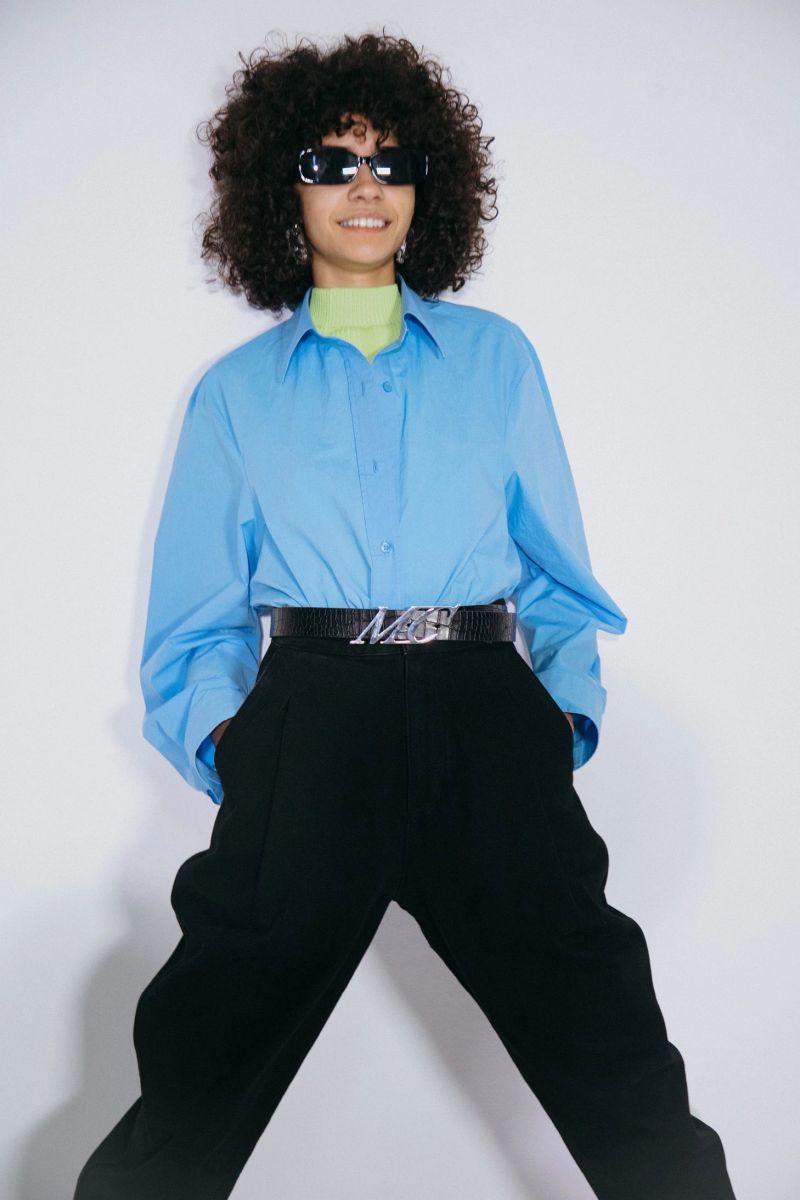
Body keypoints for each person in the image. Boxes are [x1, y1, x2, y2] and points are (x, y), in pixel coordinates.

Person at [73, 30, 737, 1200]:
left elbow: (556, 576)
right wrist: (242, 751)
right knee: (202, 1058)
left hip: (486, 711)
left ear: (431, 185)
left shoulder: (495, 361)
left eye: (390, 160)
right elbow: (194, 620)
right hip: (310, 716)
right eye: (330, 162)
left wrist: (555, 723)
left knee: (609, 1044)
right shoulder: (235, 395)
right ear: (281, 190)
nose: (364, 185)